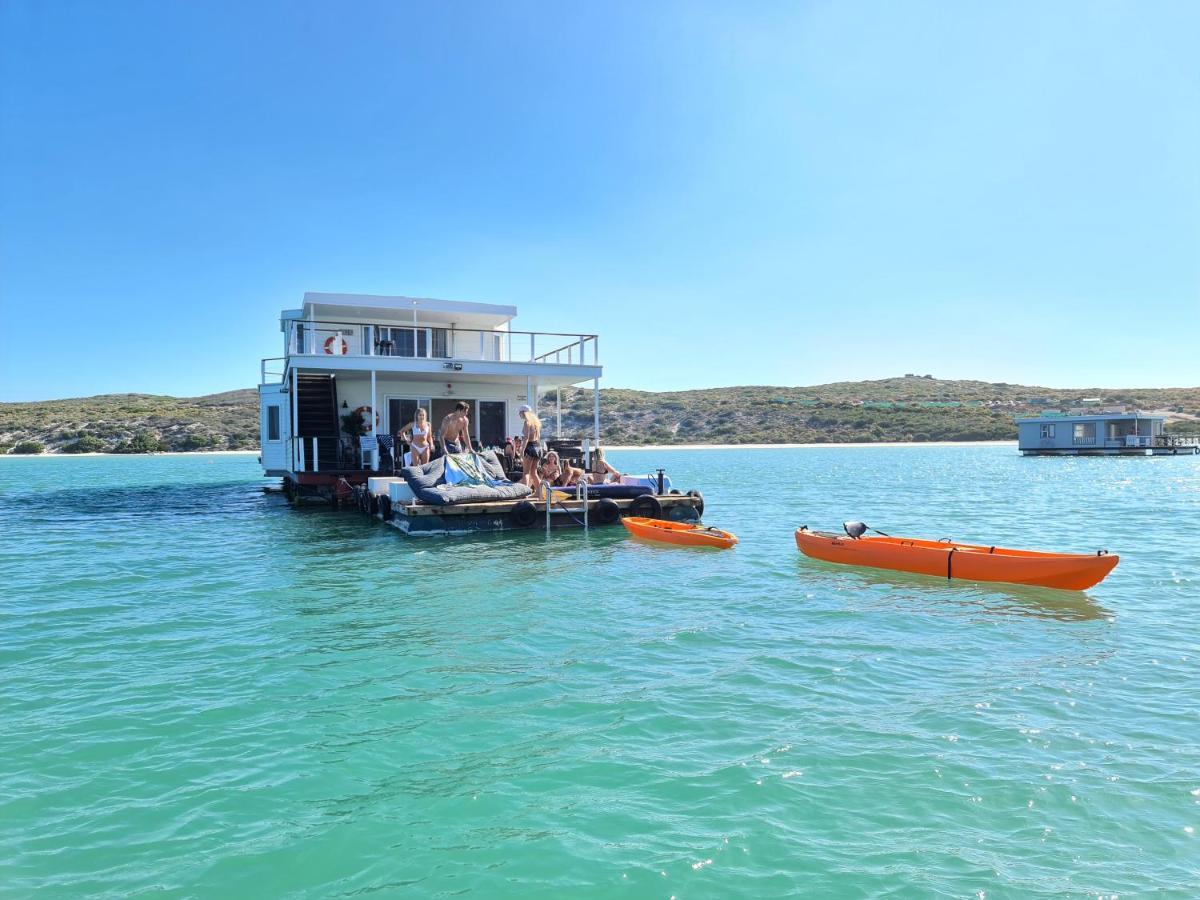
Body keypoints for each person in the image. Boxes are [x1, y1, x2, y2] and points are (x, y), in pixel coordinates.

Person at [518, 404, 543, 488]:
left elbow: (526, 438)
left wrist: (522, 450)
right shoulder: (536, 423)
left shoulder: (527, 423)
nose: (519, 414)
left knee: (526, 473)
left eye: (520, 412)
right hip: (537, 447)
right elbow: (538, 438)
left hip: (530, 447)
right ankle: (539, 493)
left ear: (523, 413)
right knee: (533, 472)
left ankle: (525, 493)